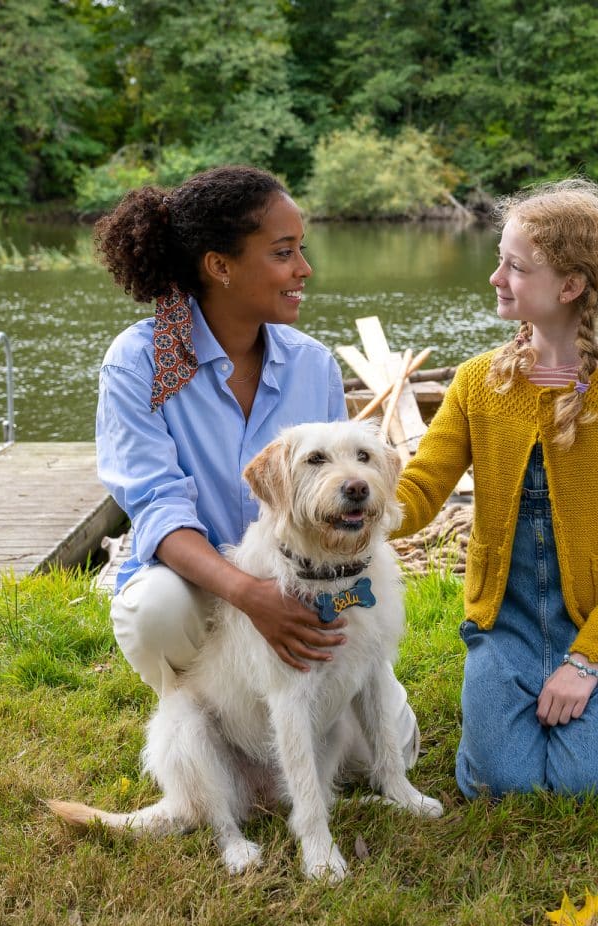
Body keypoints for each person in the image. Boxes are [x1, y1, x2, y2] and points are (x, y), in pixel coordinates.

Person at [94, 165, 418, 765]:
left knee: (393, 748)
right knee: (153, 612)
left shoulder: (312, 364)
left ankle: (302, 696)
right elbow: (157, 510)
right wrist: (250, 595)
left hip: (303, 578)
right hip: (202, 588)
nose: (304, 269)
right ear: (221, 266)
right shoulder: (139, 363)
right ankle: (208, 726)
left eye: (302, 250)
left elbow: (329, 507)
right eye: (284, 252)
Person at [393, 179, 598, 803]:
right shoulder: (476, 383)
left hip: (593, 624)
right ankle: (535, 709)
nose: (496, 277)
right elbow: (417, 492)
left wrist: (589, 658)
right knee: (500, 787)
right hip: (505, 627)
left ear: (570, 286)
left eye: (515, 267)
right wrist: (349, 503)